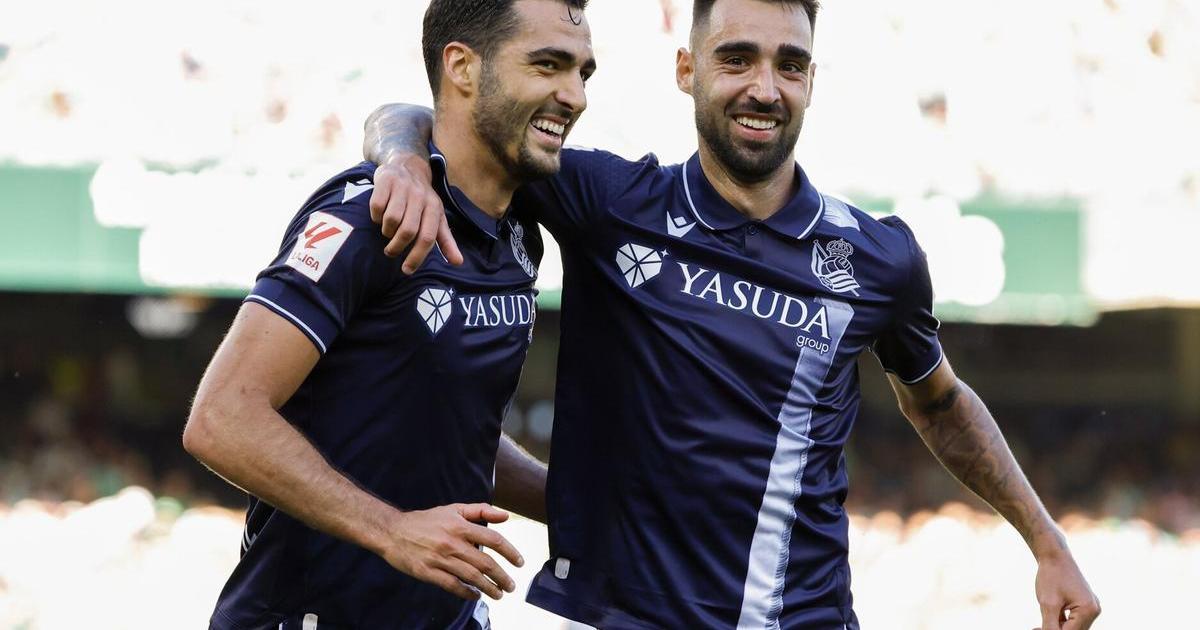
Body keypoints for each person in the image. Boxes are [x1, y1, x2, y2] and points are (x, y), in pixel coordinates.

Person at [363, 0, 1101, 628]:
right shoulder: (606, 202)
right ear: (687, 70)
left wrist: (1047, 543)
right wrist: (401, 162)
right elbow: (423, 117)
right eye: (737, 59)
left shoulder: (878, 259)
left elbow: (940, 404)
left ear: (811, 82)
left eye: (789, 65)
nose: (764, 88)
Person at [182, 0, 594, 628]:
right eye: (547, 65)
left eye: (582, 73)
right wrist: (392, 530)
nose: (574, 96)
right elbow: (221, 418)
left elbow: (450, 430)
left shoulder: (520, 233)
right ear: (461, 66)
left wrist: (578, 508)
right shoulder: (367, 217)